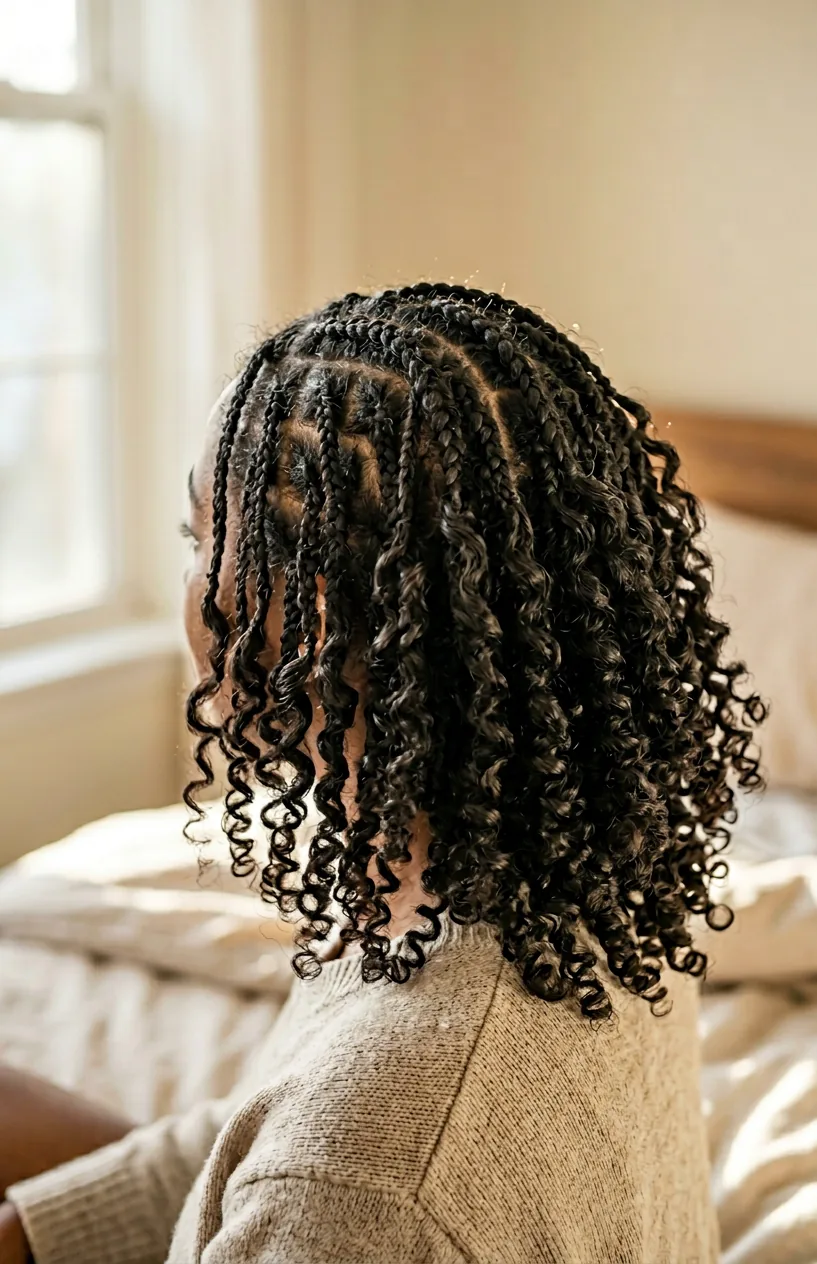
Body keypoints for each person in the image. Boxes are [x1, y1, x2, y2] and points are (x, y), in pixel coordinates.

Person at [0, 284, 764, 1263]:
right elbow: (259, 1134)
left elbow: (324, 1170)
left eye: (201, 540)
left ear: (305, 620)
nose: (189, 583)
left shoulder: (360, 1181)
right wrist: (32, 1233)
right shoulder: (569, 868)